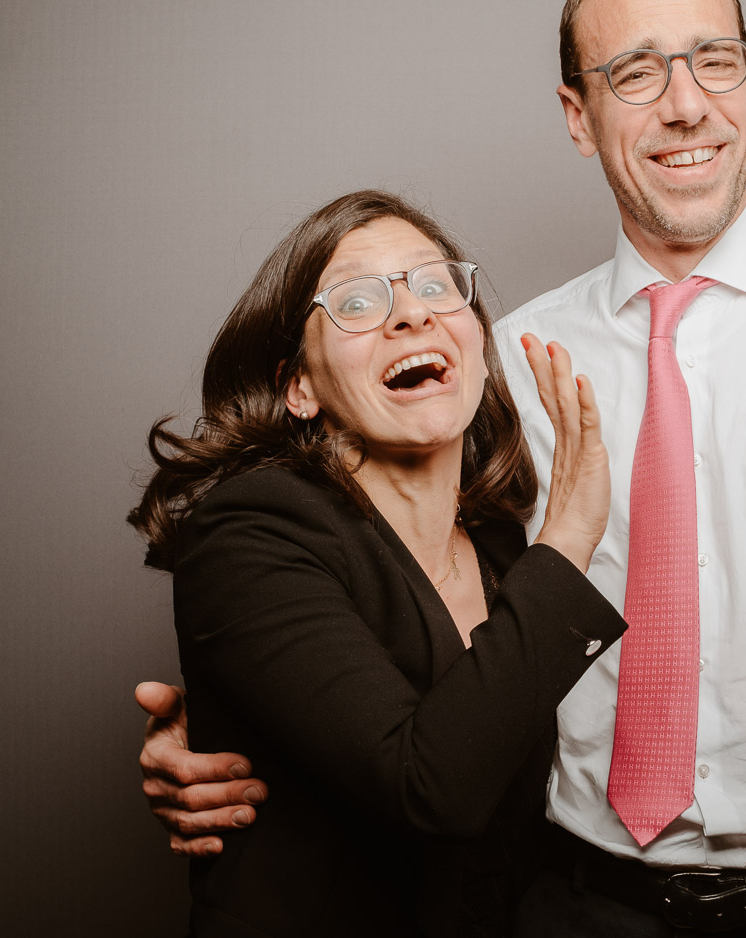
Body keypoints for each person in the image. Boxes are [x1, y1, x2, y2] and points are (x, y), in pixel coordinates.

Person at [138, 1, 746, 933]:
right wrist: (237, 726)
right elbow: (402, 600)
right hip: (568, 905)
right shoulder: (499, 358)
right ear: (579, 115)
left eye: (716, 61)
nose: (687, 105)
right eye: (636, 73)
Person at [127, 189, 628, 936]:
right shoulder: (248, 532)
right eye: (357, 301)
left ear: (479, 349)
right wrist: (570, 537)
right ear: (299, 386)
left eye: (435, 286)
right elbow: (433, 790)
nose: (412, 313)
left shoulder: (497, 544)